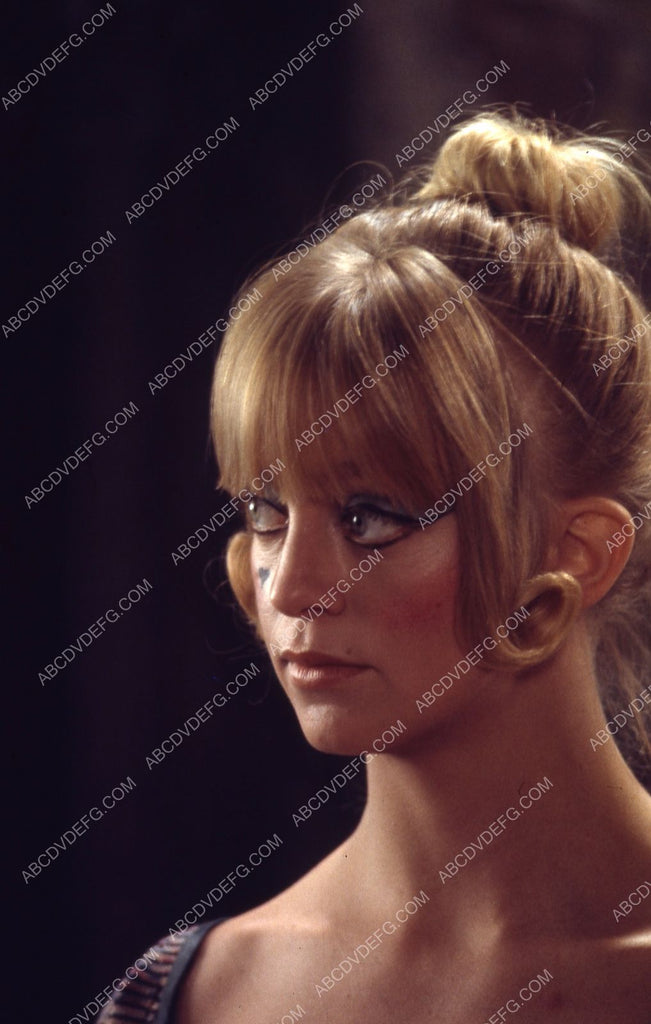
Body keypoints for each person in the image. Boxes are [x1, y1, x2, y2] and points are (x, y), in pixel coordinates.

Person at [98, 109, 651, 1023]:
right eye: (266, 511)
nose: (289, 587)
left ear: (579, 552)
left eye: (370, 516)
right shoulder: (186, 996)